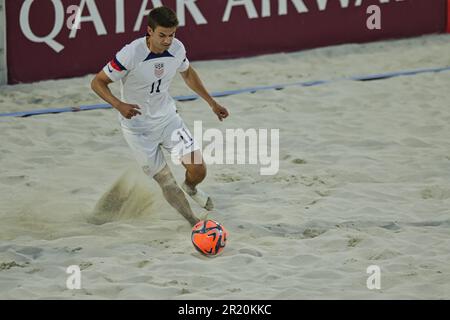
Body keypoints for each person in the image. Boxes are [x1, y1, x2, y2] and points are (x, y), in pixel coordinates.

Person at [91, 6, 229, 227]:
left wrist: (212, 102)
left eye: (171, 35)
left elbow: (188, 73)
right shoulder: (130, 53)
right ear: (150, 31)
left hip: (167, 119)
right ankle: (193, 222)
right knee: (166, 181)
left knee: (198, 169)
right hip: (138, 129)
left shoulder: (177, 48)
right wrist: (119, 105)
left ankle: (191, 187)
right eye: (162, 35)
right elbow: (97, 82)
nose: (167, 40)